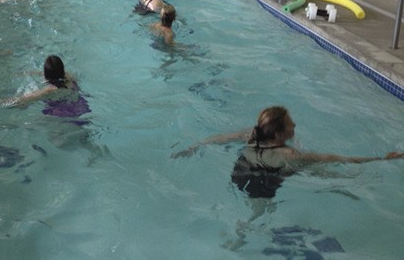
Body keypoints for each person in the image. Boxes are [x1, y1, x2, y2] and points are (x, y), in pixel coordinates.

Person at [172, 106, 403, 199]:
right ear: (280, 135)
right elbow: (335, 159)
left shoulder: (251, 134)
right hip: (264, 181)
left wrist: (195, 146)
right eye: (291, 124)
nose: (295, 126)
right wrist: (381, 159)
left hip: (238, 170)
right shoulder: (290, 155)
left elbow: (219, 139)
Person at [0, 55, 91, 121]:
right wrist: (28, 73)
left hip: (62, 114)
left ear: (47, 74)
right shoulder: (69, 76)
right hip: (80, 107)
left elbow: (24, 99)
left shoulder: (49, 89)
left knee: (35, 120)